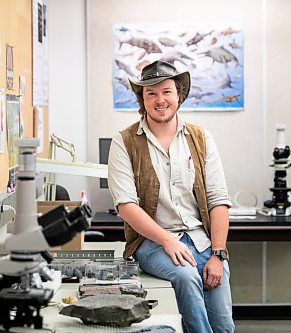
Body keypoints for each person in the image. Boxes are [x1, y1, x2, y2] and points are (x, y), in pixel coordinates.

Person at [108, 60, 234, 333]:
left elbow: (218, 200)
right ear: (142, 99)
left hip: (202, 241)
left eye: (166, 91)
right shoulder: (125, 141)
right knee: (186, 276)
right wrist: (167, 241)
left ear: (179, 95)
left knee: (223, 325)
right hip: (153, 241)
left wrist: (218, 254)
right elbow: (126, 205)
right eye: (150, 93)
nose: (159, 100)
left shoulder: (201, 138)